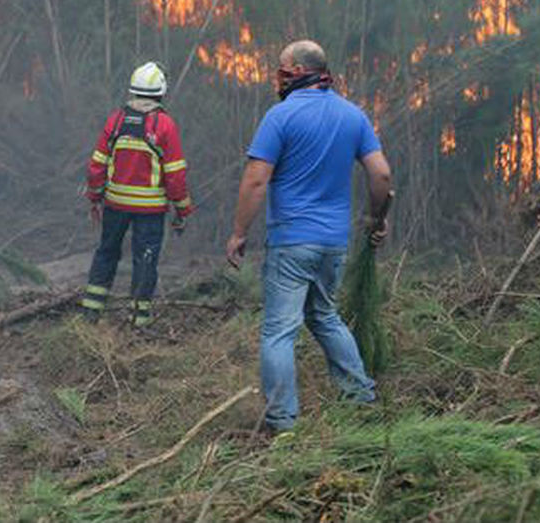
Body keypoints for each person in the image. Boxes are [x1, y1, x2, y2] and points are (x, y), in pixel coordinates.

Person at [225, 40, 391, 434]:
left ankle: (282, 420)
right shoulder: (354, 116)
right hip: (334, 242)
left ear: (298, 70)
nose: (277, 76)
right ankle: (360, 397)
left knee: (279, 331)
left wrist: (238, 232)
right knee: (324, 316)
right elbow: (381, 175)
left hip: (292, 240)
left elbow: (255, 180)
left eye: (282, 67)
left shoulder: (280, 117)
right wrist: (376, 217)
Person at [82, 62, 195, 329]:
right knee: (145, 260)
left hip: (115, 206)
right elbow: (175, 174)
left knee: (106, 253)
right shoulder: (164, 125)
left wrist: (95, 198)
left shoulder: (116, 120)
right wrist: (182, 210)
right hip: (151, 211)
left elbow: (97, 165)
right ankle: (139, 322)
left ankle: (90, 315)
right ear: (160, 93)